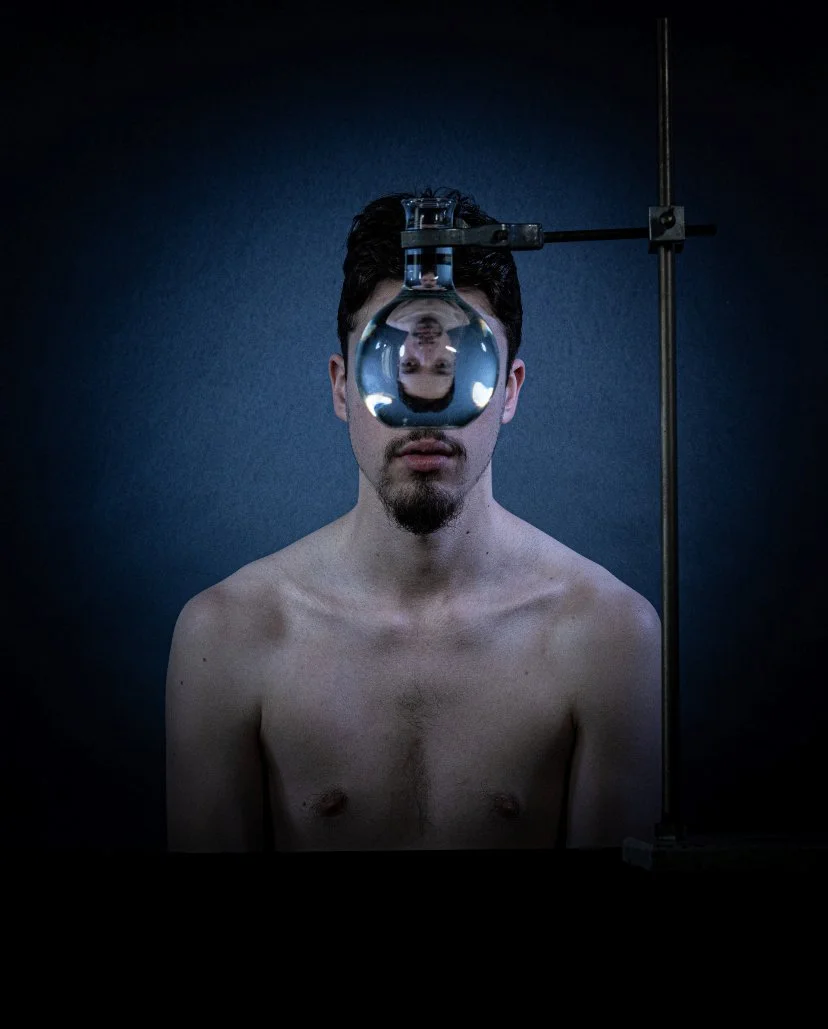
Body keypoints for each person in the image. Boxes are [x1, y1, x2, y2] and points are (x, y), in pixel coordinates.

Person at [165, 187, 661, 852]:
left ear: (508, 388)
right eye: (393, 362)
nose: (426, 407)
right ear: (344, 385)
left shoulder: (607, 636)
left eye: (459, 364)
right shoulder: (229, 636)